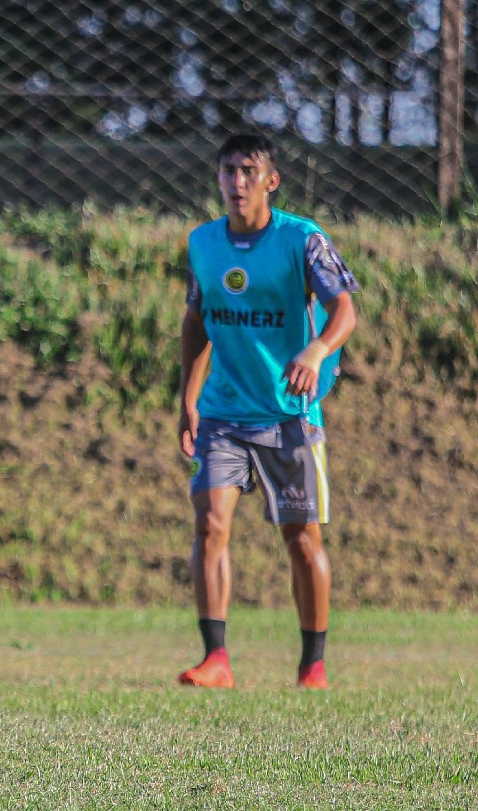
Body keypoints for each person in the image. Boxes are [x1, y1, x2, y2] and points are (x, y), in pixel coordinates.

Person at [177, 133, 358, 690]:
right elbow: (197, 319)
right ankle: (217, 659)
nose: (237, 183)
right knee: (210, 525)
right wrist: (187, 398)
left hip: (290, 416)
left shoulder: (302, 240)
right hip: (223, 414)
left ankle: (313, 664)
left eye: (249, 171)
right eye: (228, 171)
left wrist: (316, 349)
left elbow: (344, 310)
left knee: (302, 542)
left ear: (271, 181)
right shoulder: (204, 243)